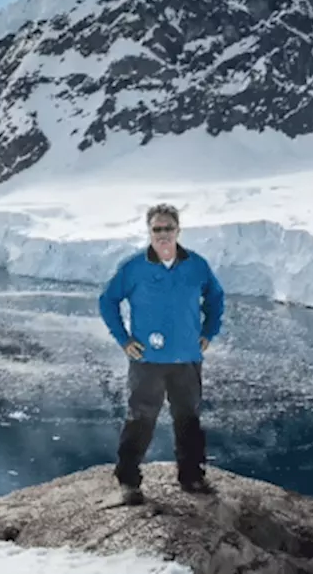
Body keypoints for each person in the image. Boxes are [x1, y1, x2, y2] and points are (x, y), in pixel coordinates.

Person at [97, 203, 225, 504]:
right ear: (149, 231)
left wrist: (208, 333)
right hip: (147, 361)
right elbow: (108, 301)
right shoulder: (134, 267)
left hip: (187, 359)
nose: (163, 234)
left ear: (178, 230)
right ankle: (128, 481)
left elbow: (216, 298)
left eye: (169, 228)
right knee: (140, 419)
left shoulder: (197, 265)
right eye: (157, 229)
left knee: (188, 419)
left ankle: (192, 477)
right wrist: (124, 339)